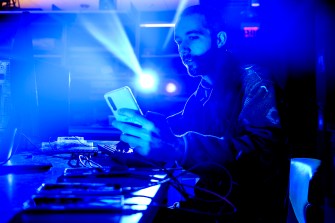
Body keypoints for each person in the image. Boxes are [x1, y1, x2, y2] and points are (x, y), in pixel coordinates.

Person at [112, 4, 290, 223]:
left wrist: (178, 147)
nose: (183, 49)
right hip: (211, 206)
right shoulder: (205, 89)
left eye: (193, 37)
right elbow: (181, 126)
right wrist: (147, 135)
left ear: (220, 40)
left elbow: (261, 152)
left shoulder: (254, 81)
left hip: (245, 213)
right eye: (179, 41)